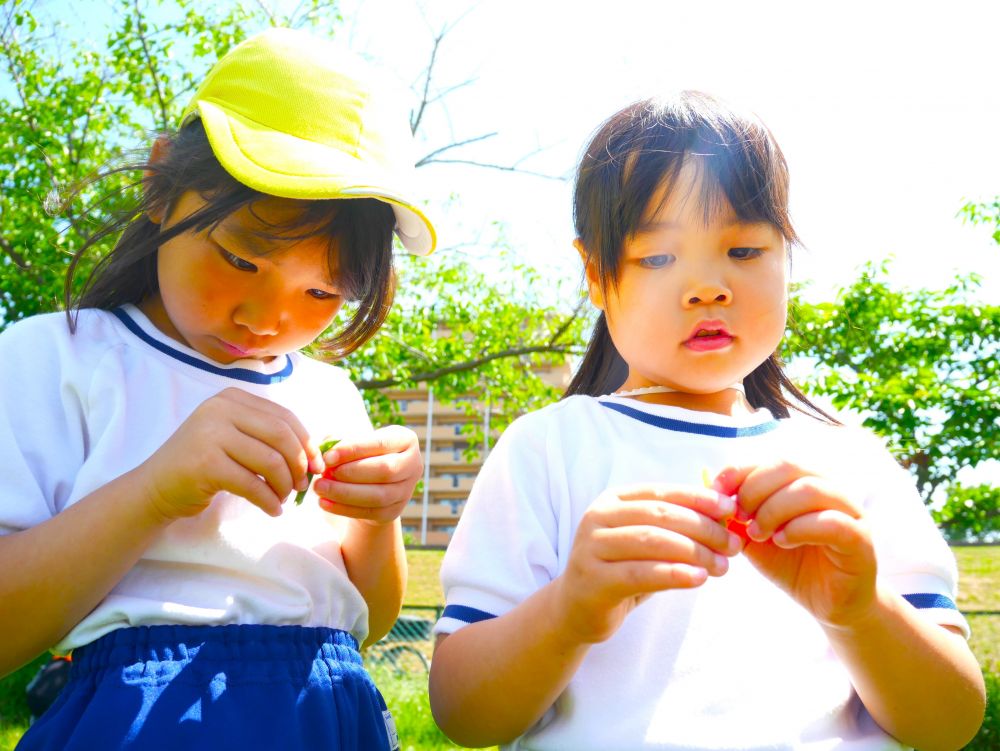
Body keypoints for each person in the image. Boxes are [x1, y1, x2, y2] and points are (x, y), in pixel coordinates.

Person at [428, 92, 986, 750]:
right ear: (597, 276)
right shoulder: (549, 447)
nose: (706, 286)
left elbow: (950, 721)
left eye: (745, 250)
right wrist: (568, 610)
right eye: (658, 257)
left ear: (786, 258)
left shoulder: (849, 464)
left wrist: (861, 609)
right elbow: (464, 713)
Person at [0, 28, 436, 751]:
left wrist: (376, 515)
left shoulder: (327, 391)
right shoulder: (61, 355)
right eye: (239, 257)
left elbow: (372, 616)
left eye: (323, 290)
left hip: (327, 712)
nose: (266, 319)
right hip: (137, 718)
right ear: (159, 184)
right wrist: (157, 489)